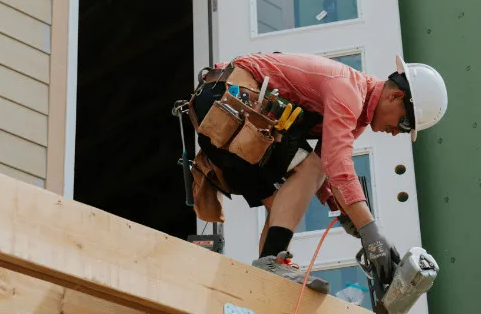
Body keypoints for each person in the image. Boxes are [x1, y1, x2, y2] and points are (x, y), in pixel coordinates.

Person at [188, 52, 447, 295]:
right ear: (396, 97)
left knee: (281, 206)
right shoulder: (349, 91)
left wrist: (351, 218)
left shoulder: (357, 117)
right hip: (228, 101)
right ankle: (271, 263)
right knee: (310, 169)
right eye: (403, 124)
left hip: (229, 116)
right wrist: (371, 232)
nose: (395, 132)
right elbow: (333, 166)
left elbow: (327, 171)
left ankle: (266, 284)